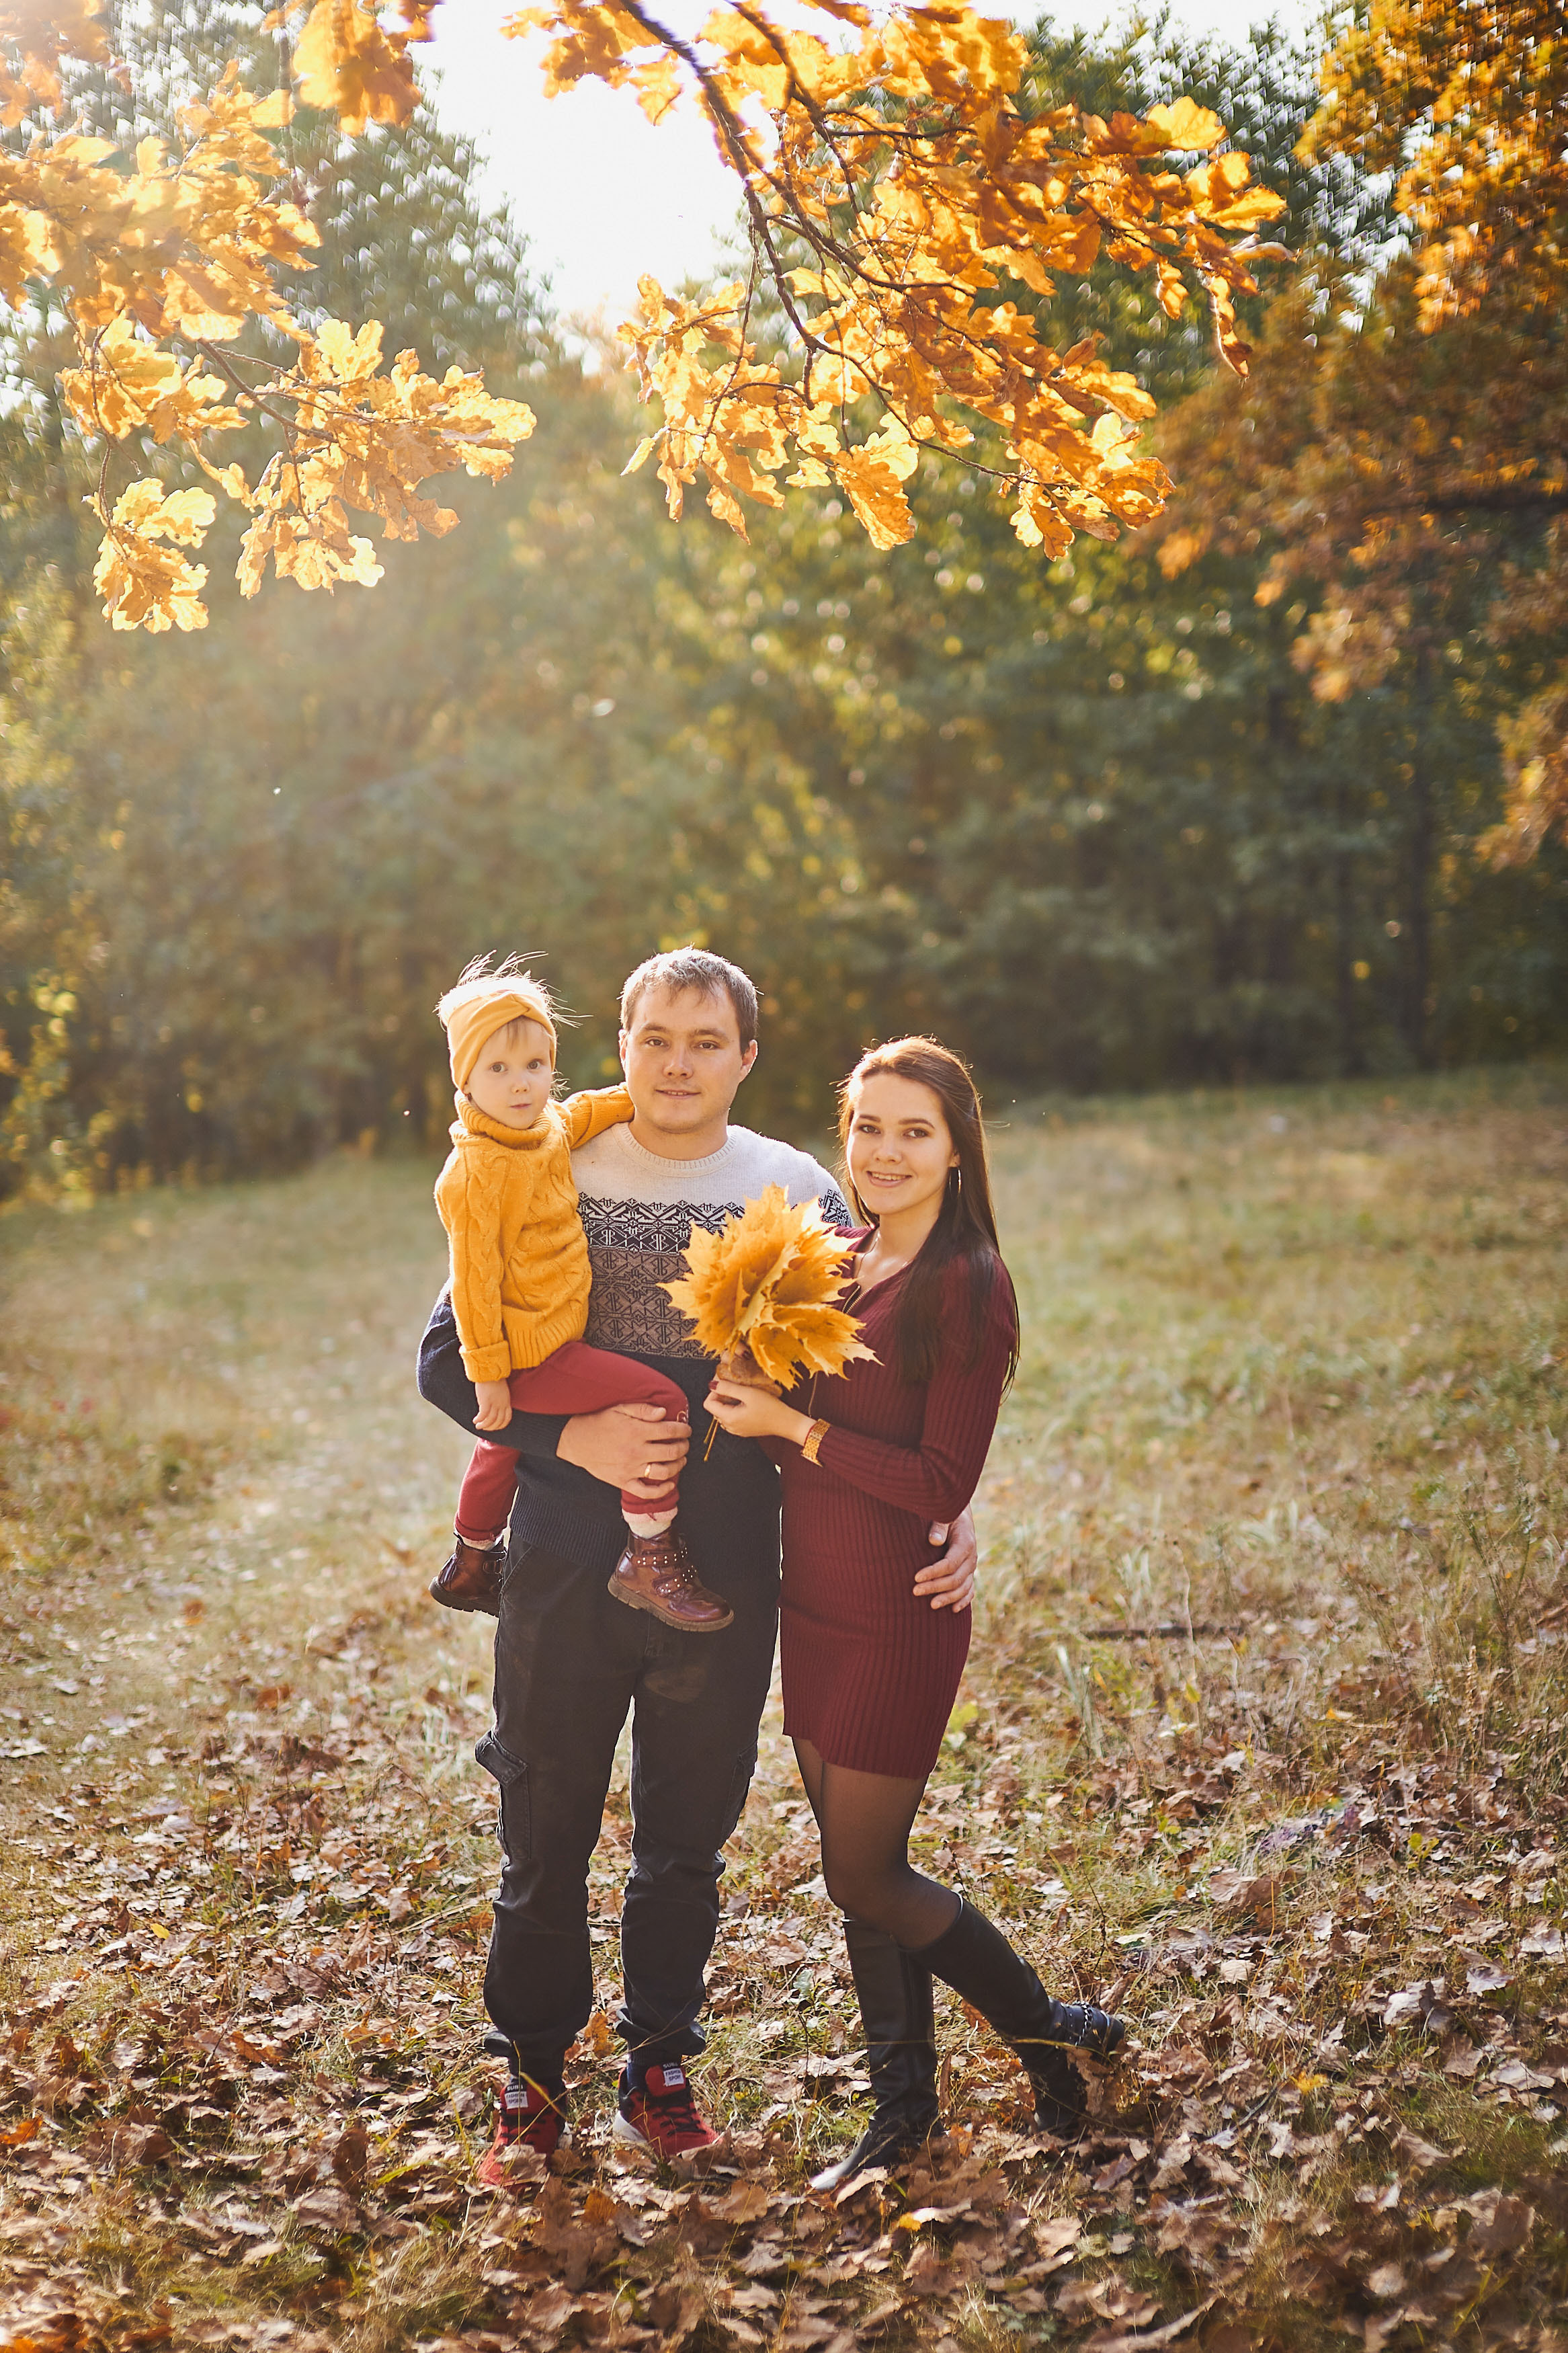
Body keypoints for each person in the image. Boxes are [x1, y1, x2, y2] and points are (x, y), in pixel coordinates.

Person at [417, 951, 980, 2181]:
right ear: (620, 1047)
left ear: (744, 1058)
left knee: (685, 1835)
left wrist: (957, 1508)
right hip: (562, 1562)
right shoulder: (544, 1158)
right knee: (543, 1827)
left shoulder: (791, 1186)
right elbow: (446, 1357)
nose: (676, 1064)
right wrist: (567, 1432)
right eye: (654, 1038)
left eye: (703, 1041)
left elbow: (884, 1364)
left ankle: (659, 2063)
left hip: (722, 1568)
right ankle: (529, 2072)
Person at [706, 1037, 1126, 2186]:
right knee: (861, 1865)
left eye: (913, 1132)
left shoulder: (967, 1286)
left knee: (863, 1872)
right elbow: (760, 1398)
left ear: (954, 1151)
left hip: (899, 1608)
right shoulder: (825, 1258)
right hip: (814, 1602)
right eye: (869, 1128)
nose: (885, 1152)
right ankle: (905, 2112)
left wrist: (791, 1430)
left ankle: (1043, 2032)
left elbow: (939, 1483)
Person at [429, 955, 732, 1634]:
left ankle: (471, 1559)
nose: (521, 1084)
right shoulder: (476, 1171)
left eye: (535, 1065)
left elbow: (587, 1108)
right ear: (466, 1078)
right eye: (499, 1070)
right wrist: (489, 1376)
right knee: (658, 1398)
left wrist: (645, 1093)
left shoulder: (545, 1128)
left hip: (549, 1334)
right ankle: (648, 1551)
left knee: (499, 1448)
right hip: (530, 1351)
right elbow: (473, 1284)